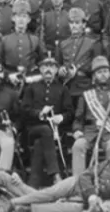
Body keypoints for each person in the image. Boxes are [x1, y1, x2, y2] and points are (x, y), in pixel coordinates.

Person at [0, 141, 110, 212]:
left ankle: (28, 209)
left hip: (82, 199)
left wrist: (101, 201)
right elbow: (85, 176)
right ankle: (13, 202)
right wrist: (92, 195)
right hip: (75, 184)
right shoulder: (105, 164)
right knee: (50, 194)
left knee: (72, 210)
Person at [71, 56, 110, 176]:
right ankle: (78, 184)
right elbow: (78, 119)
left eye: (105, 71)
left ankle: (109, 183)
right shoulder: (87, 95)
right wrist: (77, 130)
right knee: (78, 145)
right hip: (89, 132)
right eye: (99, 72)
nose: (103, 75)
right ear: (94, 77)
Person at [21, 55, 74, 187]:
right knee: (44, 131)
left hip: (55, 131)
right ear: (40, 69)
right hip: (33, 129)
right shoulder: (31, 88)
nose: (48, 70)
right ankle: (55, 174)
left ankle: (33, 182)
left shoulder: (63, 89)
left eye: (52, 67)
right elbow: (24, 111)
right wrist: (39, 113)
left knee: (41, 143)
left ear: (57, 70)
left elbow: (70, 113)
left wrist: (61, 117)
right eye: (45, 67)